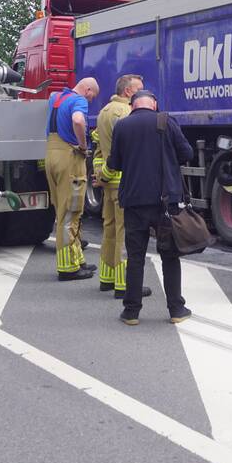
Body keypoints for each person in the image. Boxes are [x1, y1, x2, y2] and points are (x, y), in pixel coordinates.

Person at [107, 90, 193, 326]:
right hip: (165, 201)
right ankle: (176, 309)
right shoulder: (166, 121)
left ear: (132, 105)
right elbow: (187, 153)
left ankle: (131, 312)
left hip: (134, 201)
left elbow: (114, 164)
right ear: (154, 104)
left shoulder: (122, 126)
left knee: (135, 257)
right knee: (170, 256)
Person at [91, 73, 150, 299]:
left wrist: (100, 175)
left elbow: (98, 149)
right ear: (128, 92)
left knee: (110, 229)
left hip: (108, 182)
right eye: (140, 89)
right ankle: (125, 283)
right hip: (124, 182)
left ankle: (107, 277)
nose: (143, 93)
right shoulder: (126, 113)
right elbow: (129, 149)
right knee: (126, 233)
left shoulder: (104, 111)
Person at [45, 77, 99, 281]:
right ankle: (68, 268)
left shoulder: (55, 98)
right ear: (87, 90)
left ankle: (78, 260)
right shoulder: (79, 101)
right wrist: (84, 146)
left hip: (51, 154)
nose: (91, 100)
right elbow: (78, 120)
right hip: (69, 156)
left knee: (63, 211)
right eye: (92, 95)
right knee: (71, 212)